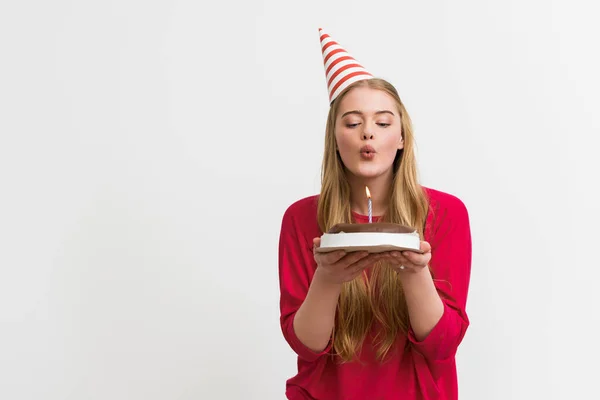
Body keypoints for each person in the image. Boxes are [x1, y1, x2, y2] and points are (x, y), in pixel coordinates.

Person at [278, 28, 472, 400]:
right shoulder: (301, 219)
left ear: (401, 138)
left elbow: (443, 345)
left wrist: (415, 272)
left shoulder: (446, 213)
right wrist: (328, 277)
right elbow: (307, 346)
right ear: (335, 137)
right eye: (352, 123)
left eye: (383, 123)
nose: (368, 132)